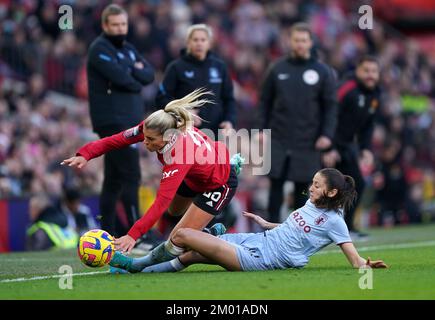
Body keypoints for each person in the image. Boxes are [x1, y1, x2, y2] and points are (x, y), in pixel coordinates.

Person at [62, 89, 242, 268]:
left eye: (150, 139)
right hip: (197, 174)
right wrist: (85, 154)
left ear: (168, 137)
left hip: (219, 183)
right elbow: (116, 140)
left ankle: (138, 265)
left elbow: (159, 203)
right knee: (174, 212)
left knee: (177, 242)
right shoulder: (152, 127)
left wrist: (132, 235)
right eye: (145, 137)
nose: (145, 142)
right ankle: (205, 232)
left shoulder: (179, 156)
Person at [109, 168, 387, 273]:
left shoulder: (335, 221)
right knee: (191, 255)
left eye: (316, 185)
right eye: (312, 183)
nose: (310, 188)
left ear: (332, 191)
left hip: (262, 258)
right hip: (259, 239)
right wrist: (269, 224)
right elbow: (297, 232)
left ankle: (136, 265)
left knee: (181, 235)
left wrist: (365, 264)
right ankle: (142, 270)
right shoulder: (311, 203)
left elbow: (353, 259)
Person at [86, 4, 154, 238]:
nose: (119, 29)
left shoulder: (128, 49)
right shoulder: (98, 49)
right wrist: (133, 73)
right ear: (105, 25)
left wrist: (131, 73)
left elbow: (149, 74)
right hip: (113, 120)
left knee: (113, 180)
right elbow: (125, 79)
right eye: (115, 25)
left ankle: (107, 233)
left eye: (123, 24)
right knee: (131, 175)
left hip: (129, 120)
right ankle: (138, 234)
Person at [258, 22, 337, 223]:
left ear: (310, 43)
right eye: (296, 40)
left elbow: (330, 106)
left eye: (304, 40)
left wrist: (326, 135)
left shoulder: (322, 71)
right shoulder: (277, 68)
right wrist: (260, 129)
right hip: (279, 137)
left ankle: (298, 229)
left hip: (308, 140)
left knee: (304, 187)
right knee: (275, 184)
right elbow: (264, 101)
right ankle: (271, 228)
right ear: (289, 42)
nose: (300, 44)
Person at [322, 56, 381, 237]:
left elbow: (368, 124)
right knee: (321, 188)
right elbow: (329, 114)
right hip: (327, 144)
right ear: (358, 71)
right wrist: (327, 147)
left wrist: (366, 148)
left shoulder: (375, 94)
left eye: (374, 71)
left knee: (356, 184)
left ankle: (346, 229)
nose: (370, 75)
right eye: (366, 71)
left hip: (346, 145)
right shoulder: (347, 89)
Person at [155, 24, 236, 138]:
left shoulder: (220, 67)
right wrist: (183, 114)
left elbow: (229, 99)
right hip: (185, 132)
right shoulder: (176, 67)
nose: (199, 43)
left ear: (209, 43)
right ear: (188, 42)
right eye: (195, 40)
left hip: (215, 133)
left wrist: (229, 120)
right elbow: (161, 98)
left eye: (203, 40)